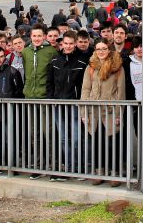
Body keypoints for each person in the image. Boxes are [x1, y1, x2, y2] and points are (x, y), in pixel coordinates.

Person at [81, 38, 127, 187]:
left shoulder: (118, 67)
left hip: (110, 110)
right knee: (96, 142)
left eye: (104, 49)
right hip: (93, 110)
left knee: (112, 142)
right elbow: (85, 89)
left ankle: (115, 172)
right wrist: (84, 111)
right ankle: (99, 170)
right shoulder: (91, 67)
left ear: (109, 50)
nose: (101, 51)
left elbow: (121, 92)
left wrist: (119, 113)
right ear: (95, 50)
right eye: (98, 49)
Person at [47, 30, 87, 178]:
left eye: (71, 44)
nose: (68, 46)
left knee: (77, 137)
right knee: (64, 138)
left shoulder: (83, 61)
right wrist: (51, 99)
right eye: (66, 43)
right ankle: (69, 167)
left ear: (75, 44)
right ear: (62, 44)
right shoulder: (55, 61)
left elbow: (84, 84)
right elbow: (50, 83)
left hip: (75, 104)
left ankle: (80, 167)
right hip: (59, 104)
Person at [21, 24, 58, 179]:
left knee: (48, 132)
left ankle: (54, 165)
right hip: (30, 96)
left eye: (39, 36)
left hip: (44, 96)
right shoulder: (26, 52)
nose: (36, 38)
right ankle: (37, 165)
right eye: (34, 36)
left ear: (44, 36)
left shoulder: (51, 51)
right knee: (33, 133)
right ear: (31, 37)